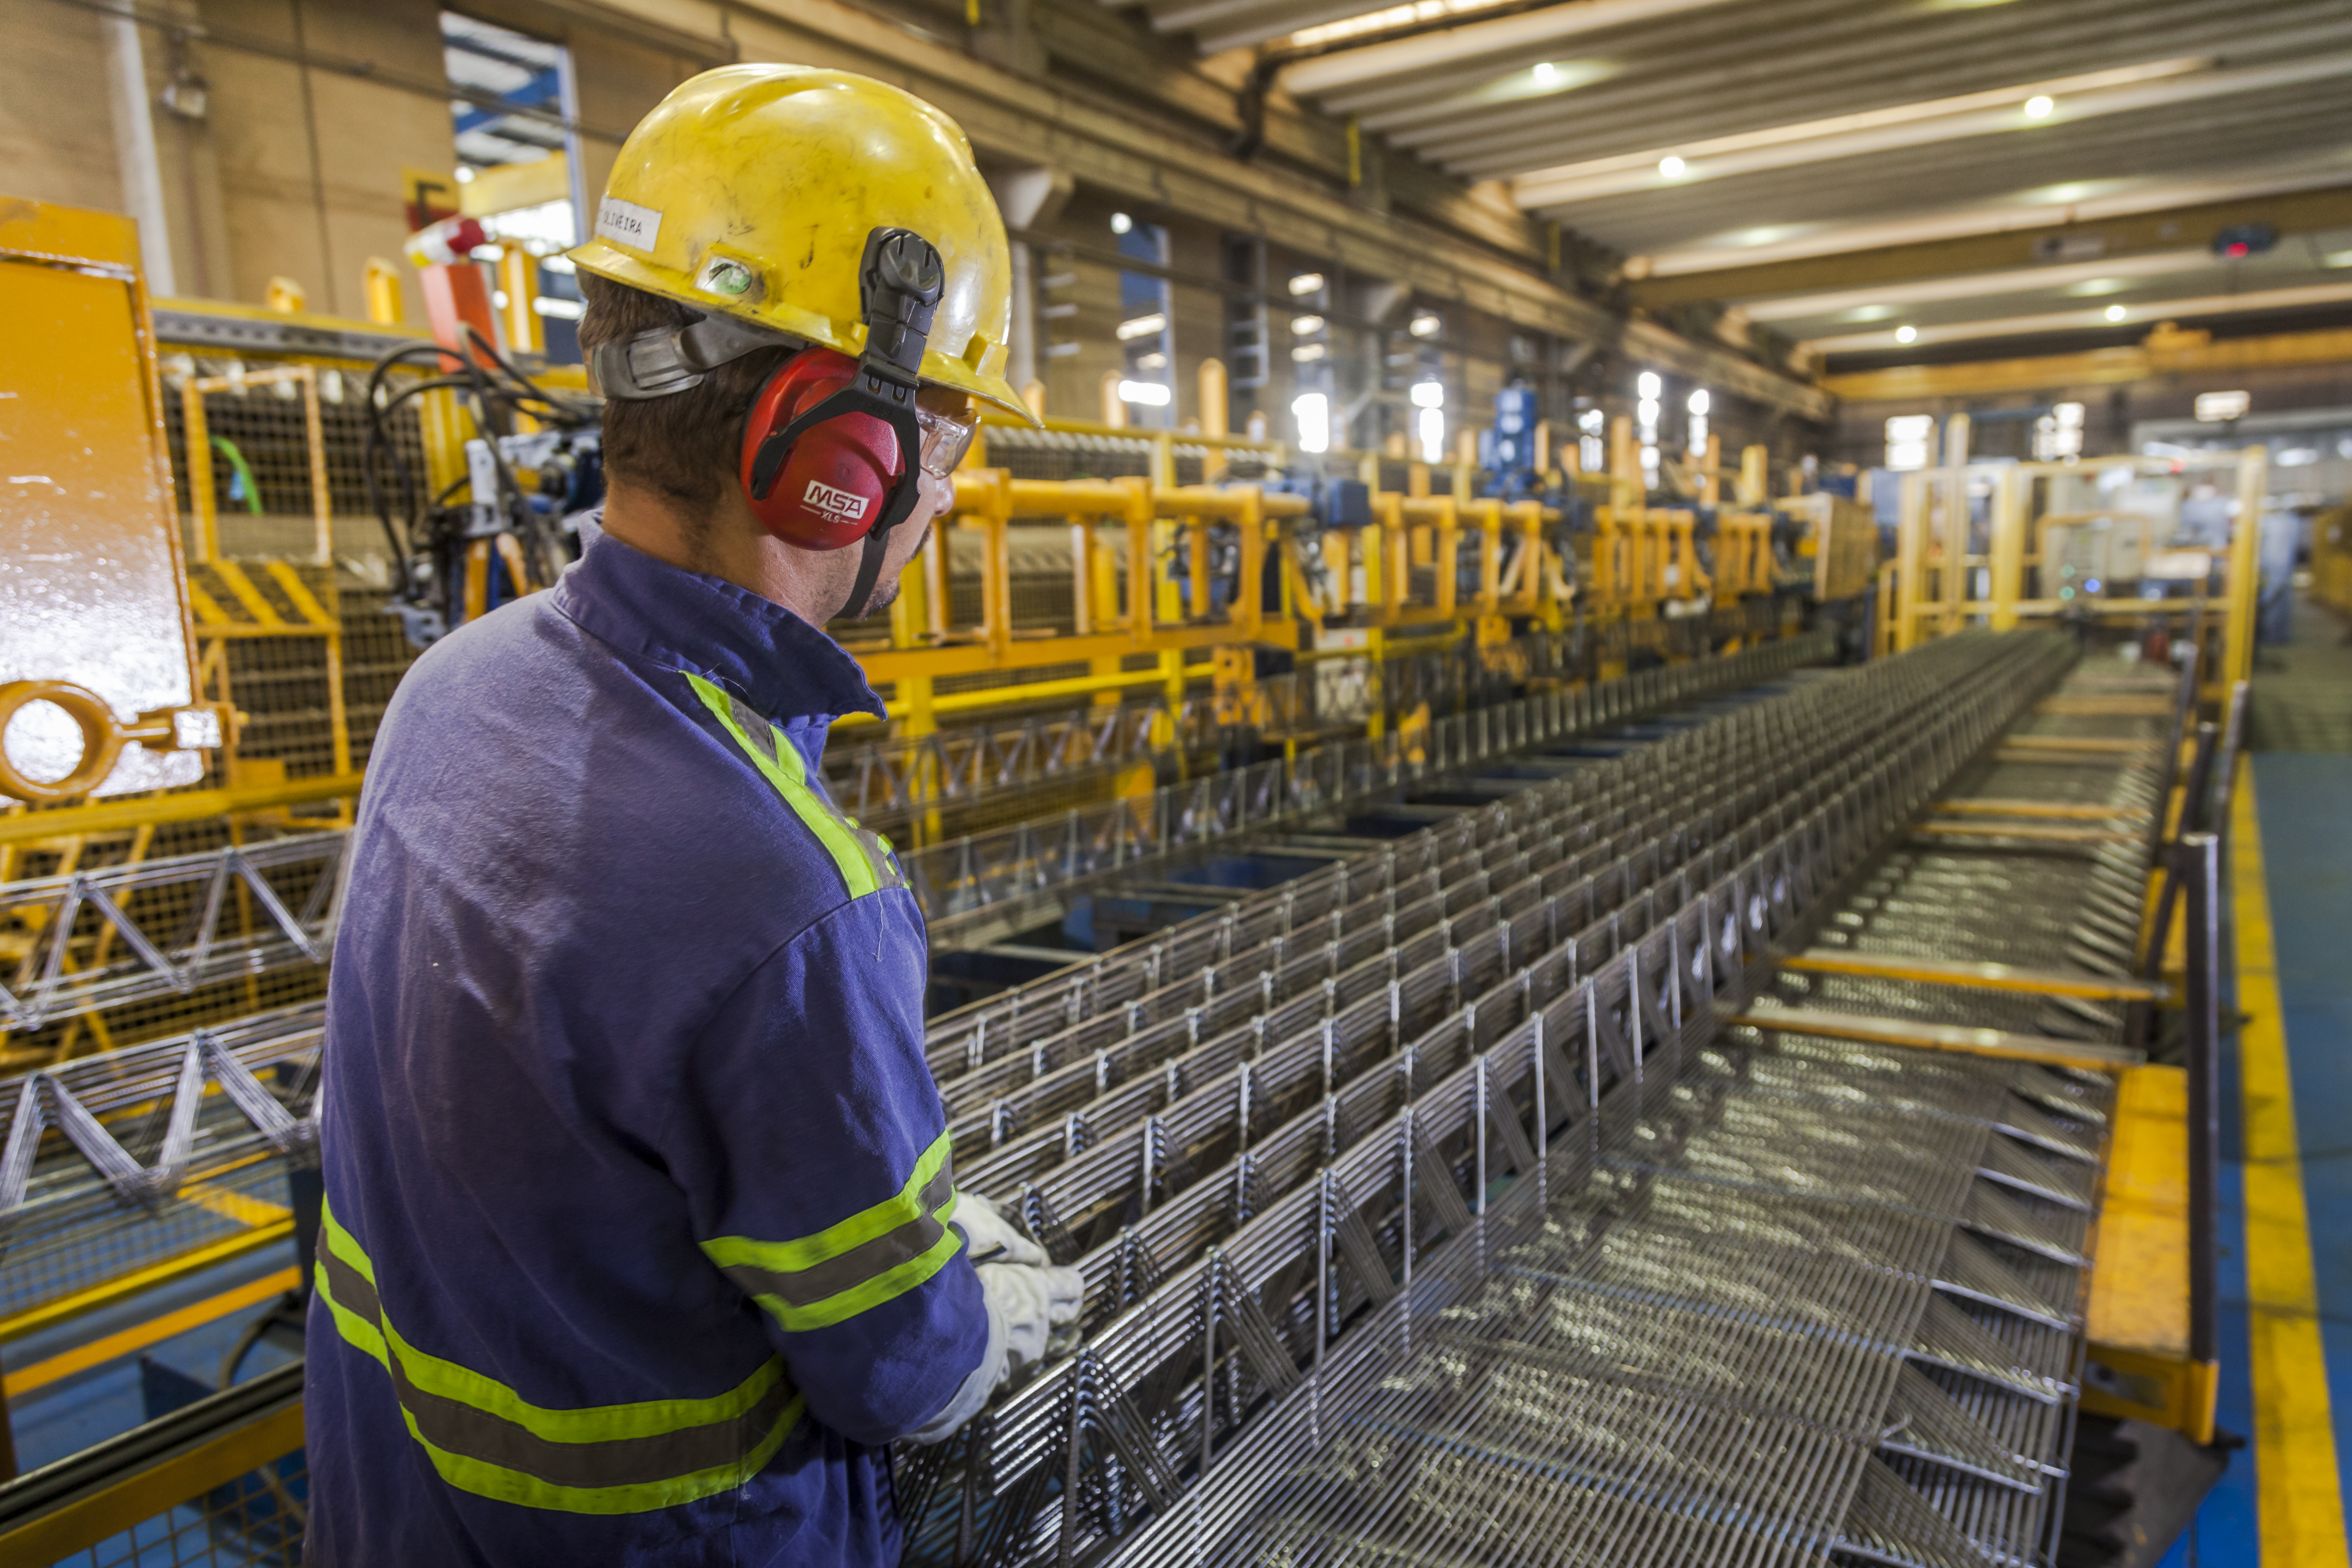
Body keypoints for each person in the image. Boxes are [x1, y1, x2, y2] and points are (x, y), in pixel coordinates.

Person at [303, 64, 1079, 1566]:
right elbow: (903, 1377)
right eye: (950, 443)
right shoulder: (786, 900)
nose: (947, 494)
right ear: (841, 467)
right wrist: (976, 1310)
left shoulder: (451, 691)